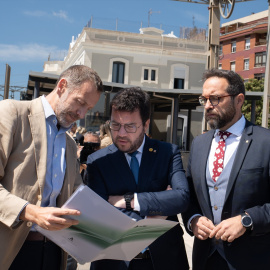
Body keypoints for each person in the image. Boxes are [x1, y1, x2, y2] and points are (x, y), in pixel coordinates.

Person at [0, 64, 103, 270]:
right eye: (80, 102)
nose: (82, 114)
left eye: (88, 109)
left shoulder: (70, 143)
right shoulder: (12, 114)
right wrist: (29, 212)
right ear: (62, 86)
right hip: (11, 250)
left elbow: (76, 195)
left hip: (55, 253)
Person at [86, 87, 189, 270]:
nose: (121, 133)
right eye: (115, 125)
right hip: (115, 262)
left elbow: (181, 198)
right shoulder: (98, 162)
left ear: (146, 124)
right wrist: (157, 214)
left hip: (165, 260)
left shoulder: (167, 153)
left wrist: (130, 200)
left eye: (130, 126)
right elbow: (100, 216)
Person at [182, 69, 270, 270]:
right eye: (204, 99)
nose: (207, 106)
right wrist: (193, 220)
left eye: (215, 98)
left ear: (239, 100)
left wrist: (247, 220)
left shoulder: (266, 142)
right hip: (205, 259)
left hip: (252, 260)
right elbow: (189, 196)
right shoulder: (199, 144)